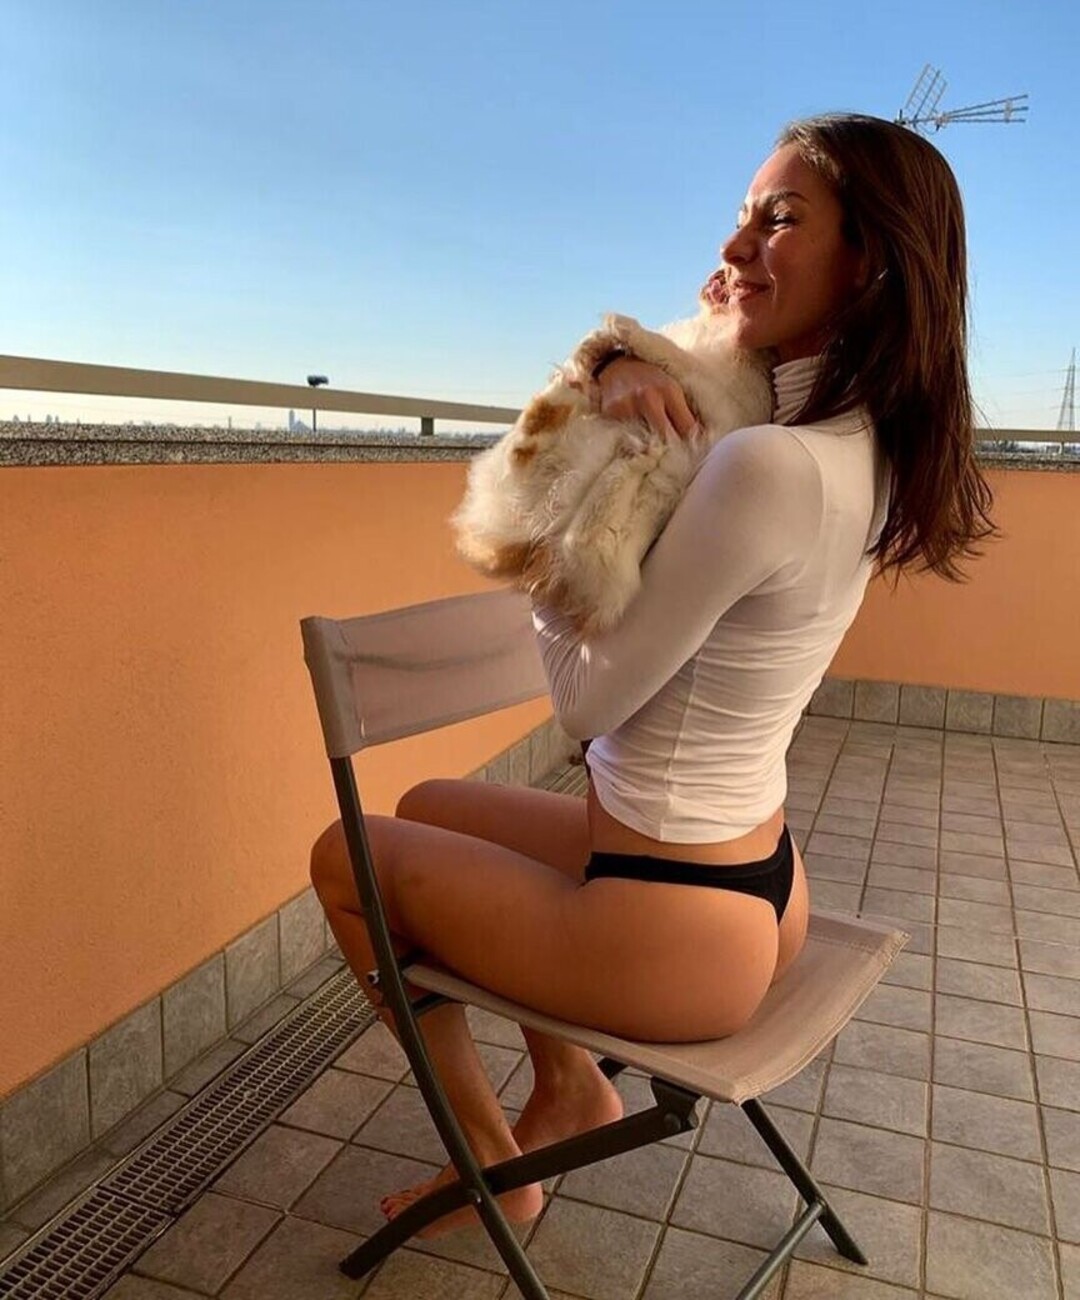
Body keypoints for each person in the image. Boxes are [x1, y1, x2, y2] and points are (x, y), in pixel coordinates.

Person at [310, 112, 995, 1235]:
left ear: (869, 260)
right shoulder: (858, 444)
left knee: (345, 858)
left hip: (672, 929)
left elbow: (584, 706)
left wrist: (550, 548)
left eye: (779, 221)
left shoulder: (766, 466)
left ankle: (493, 1171)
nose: (734, 247)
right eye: (740, 218)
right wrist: (615, 361)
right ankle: (573, 1085)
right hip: (754, 882)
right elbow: (717, 380)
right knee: (430, 804)